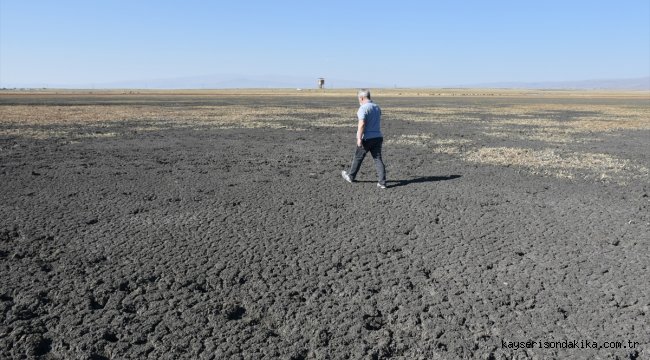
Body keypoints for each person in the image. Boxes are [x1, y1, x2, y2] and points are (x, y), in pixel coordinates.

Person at [341, 89, 387, 189]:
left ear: (362, 98)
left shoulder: (363, 108)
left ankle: (350, 176)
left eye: (359, 99)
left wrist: (359, 138)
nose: (359, 101)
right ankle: (382, 182)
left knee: (358, 157)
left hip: (367, 138)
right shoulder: (376, 107)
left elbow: (361, 124)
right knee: (378, 159)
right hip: (378, 137)